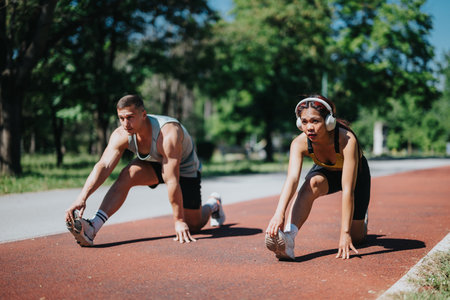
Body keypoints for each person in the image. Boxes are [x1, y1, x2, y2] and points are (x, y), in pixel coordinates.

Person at [65, 94, 225, 246]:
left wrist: (179, 220)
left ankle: (214, 204)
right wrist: (82, 197)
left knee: (194, 225)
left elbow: (172, 179)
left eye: (130, 117)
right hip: (153, 163)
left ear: (143, 115)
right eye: (121, 118)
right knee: (128, 174)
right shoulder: (122, 134)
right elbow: (103, 166)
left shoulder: (168, 134)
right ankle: (93, 226)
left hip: (183, 167)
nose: (125, 123)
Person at [265, 95, 371, 261]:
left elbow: (348, 189)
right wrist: (279, 213)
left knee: (357, 238)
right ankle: (289, 238)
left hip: (356, 177)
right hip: (327, 171)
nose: (309, 127)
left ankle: (361, 221)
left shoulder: (346, 140)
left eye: (315, 121)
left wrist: (345, 233)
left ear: (329, 121)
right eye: (304, 122)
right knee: (310, 184)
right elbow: (292, 179)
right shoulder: (299, 143)